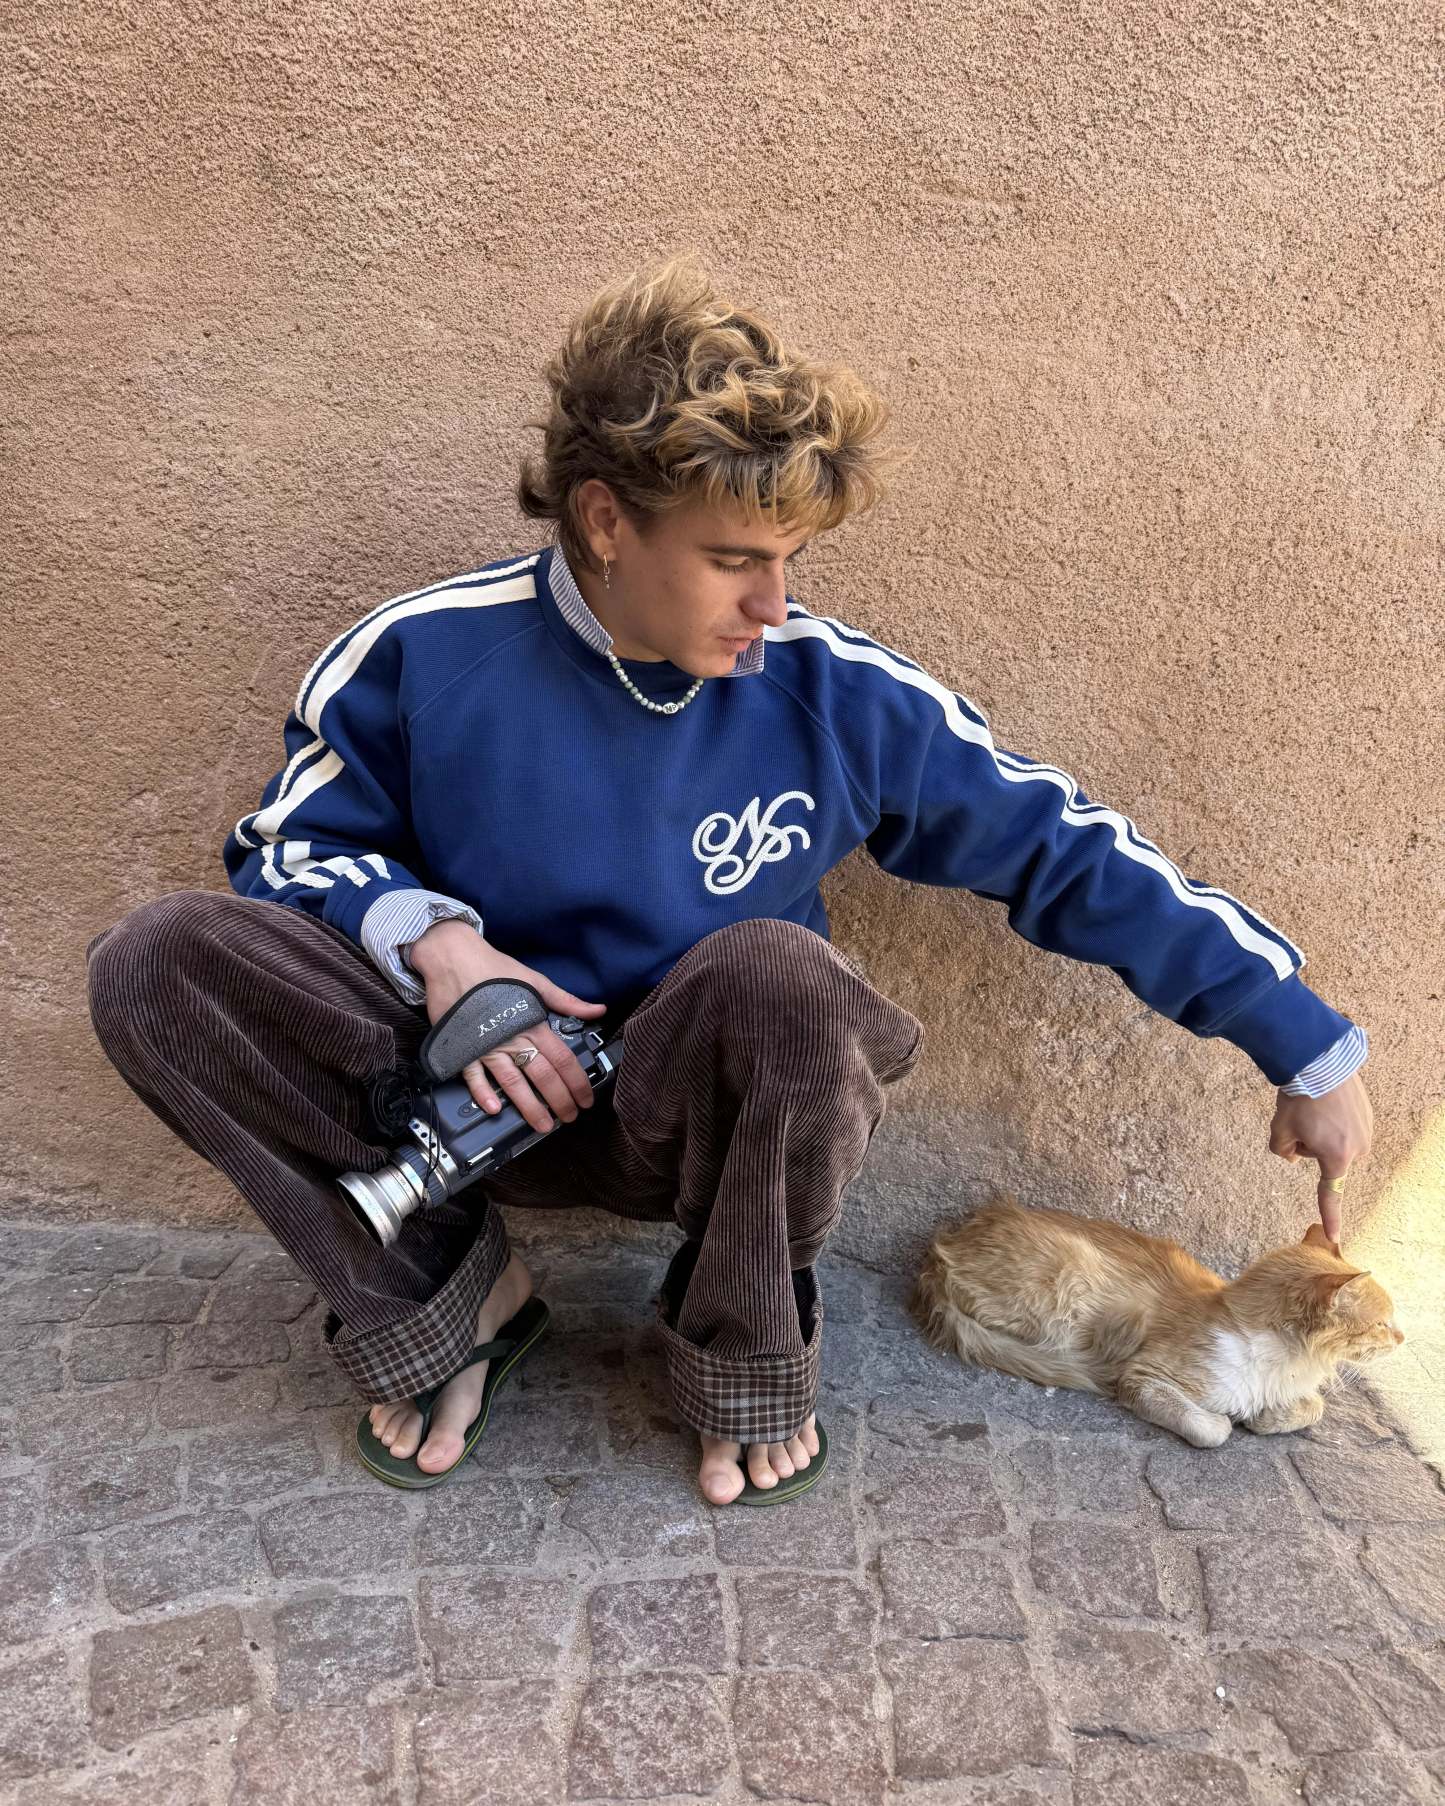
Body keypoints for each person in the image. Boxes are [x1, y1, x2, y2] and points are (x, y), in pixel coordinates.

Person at [85, 253, 1374, 1508]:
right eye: (733, 559)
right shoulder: (422, 654)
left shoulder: (831, 689)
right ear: (607, 521)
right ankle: (448, 1299)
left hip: (694, 1128)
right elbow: (285, 852)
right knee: (156, 967)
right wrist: (439, 946)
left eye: (789, 557)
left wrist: (1298, 1041)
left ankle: (740, 1348)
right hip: (446, 1105)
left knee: (785, 978)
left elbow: (1063, 844)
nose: (773, 602)